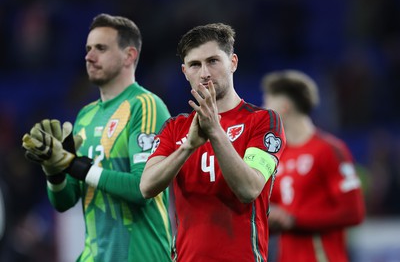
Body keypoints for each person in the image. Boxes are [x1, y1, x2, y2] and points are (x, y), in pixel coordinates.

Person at [22, 13, 172, 262]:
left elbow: (142, 188)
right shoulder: (85, 115)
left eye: (101, 48)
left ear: (129, 56)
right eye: (88, 49)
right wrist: (54, 171)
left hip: (141, 256)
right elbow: (65, 201)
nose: (89, 57)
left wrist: (75, 166)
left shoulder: (145, 106)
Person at [140, 23, 286, 262]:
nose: (205, 73)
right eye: (195, 65)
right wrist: (188, 146)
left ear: (233, 63)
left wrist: (215, 132)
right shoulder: (175, 127)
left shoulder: (263, 121)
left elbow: (249, 189)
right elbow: (146, 186)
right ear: (185, 71)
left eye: (213, 61)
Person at [261, 70, 365, 262]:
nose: (263, 109)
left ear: (285, 107)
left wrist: (295, 220)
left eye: (268, 102)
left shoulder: (329, 150)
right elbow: (275, 207)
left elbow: (354, 212)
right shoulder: (279, 156)